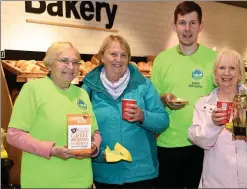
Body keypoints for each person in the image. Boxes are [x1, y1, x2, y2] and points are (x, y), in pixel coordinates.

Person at [6, 42, 101, 188]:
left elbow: (95, 132)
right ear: (49, 64)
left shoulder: (81, 93)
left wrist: (94, 146)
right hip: (44, 181)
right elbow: (14, 135)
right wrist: (51, 150)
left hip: (82, 181)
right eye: (64, 61)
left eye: (76, 62)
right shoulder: (33, 89)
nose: (71, 67)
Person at [82, 35, 169, 188]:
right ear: (102, 56)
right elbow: (81, 127)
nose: (119, 59)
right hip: (104, 172)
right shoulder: (88, 89)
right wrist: (98, 152)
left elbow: (162, 121)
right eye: (113, 54)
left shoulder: (143, 85)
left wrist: (143, 116)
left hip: (140, 172)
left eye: (124, 55)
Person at [151, 1, 217, 188]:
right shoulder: (162, 60)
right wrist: (164, 99)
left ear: (200, 26)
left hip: (203, 144)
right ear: (174, 26)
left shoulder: (213, 59)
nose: (187, 29)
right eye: (182, 23)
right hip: (167, 143)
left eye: (192, 23)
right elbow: (152, 101)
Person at [188, 49, 247, 188]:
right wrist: (213, 124)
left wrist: (246, 129)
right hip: (215, 180)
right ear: (215, 73)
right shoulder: (204, 103)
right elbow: (196, 138)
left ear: (240, 73)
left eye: (232, 68)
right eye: (222, 68)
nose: (227, 73)